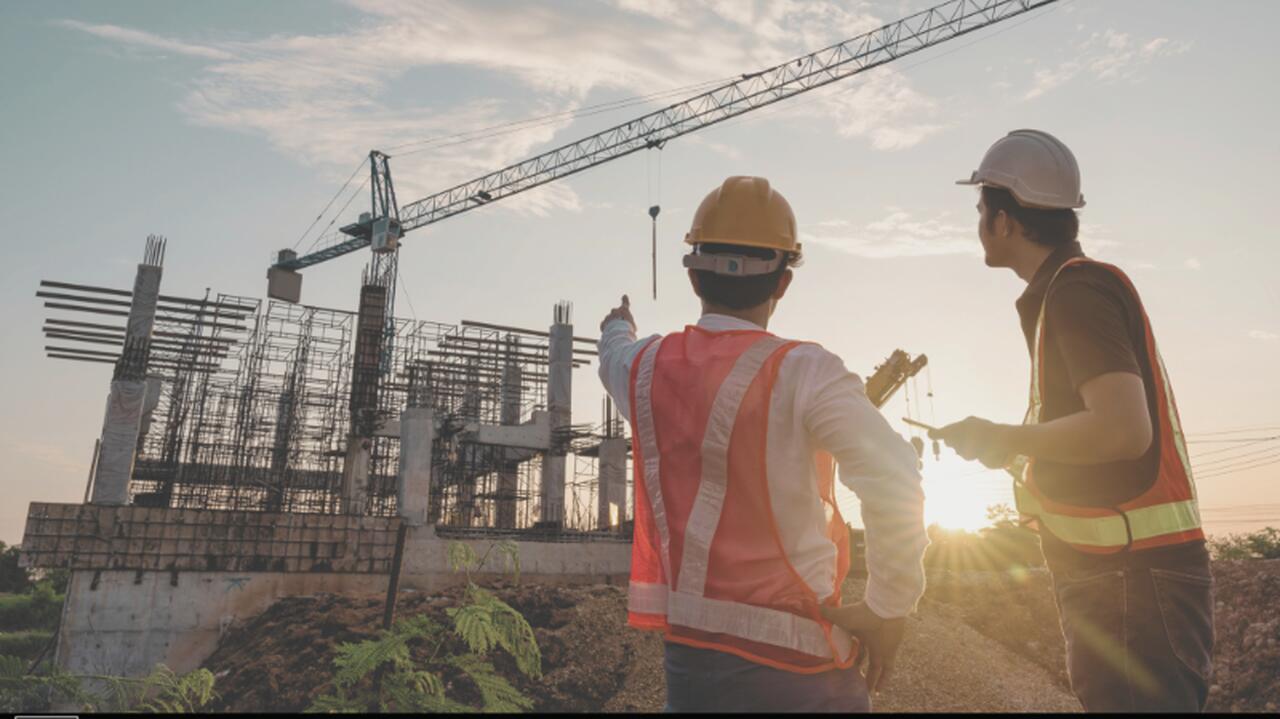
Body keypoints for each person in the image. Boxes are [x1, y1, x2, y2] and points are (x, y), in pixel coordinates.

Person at [596, 176, 928, 712]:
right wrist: (888, 607)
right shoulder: (805, 372)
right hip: (801, 675)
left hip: (692, 675)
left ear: (693, 275)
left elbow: (614, 354)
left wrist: (617, 325)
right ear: (783, 283)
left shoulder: (645, 368)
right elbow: (895, 477)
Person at [933, 130, 1213, 712]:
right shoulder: (1070, 292)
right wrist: (1004, 446)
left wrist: (1000, 435)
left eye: (981, 210)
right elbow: (1096, 436)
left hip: (1131, 579)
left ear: (1004, 221)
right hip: (1130, 576)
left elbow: (1121, 431)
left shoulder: (1076, 292)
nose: (979, 223)